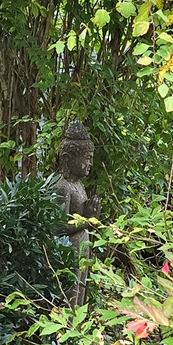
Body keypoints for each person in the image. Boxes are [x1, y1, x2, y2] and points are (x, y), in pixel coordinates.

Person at [56, 120, 100, 306]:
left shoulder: (78, 185)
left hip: (82, 242)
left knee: (82, 287)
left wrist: (89, 216)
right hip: (70, 247)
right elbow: (57, 227)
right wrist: (88, 219)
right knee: (71, 291)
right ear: (68, 158)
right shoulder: (62, 187)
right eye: (87, 158)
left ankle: (80, 329)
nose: (90, 163)